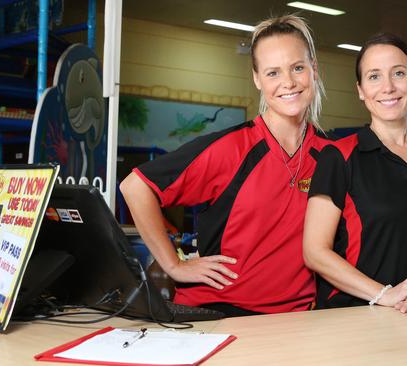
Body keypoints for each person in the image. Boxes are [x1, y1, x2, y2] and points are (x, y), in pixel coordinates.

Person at [120, 15, 333, 316]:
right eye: (273, 72)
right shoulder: (231, 149)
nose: (288, 82)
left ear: (314, 70)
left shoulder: (331, 155)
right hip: (220, 311)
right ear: (258, 79)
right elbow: (135, 186)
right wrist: (174, 264)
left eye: (298, 67)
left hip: (293, 319)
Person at [303, 33, 407, 315]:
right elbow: (315, 251)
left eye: (398, 73)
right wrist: (385, 294)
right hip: (352, 317)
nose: (388, 87)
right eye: (374, 77)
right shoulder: (339, 157)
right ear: (360, 90)